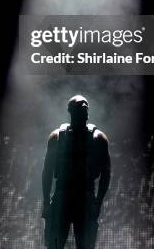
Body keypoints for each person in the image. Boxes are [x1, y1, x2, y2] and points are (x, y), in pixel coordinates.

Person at [42, 94, 111, 248]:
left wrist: (98, 203)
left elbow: (106, 174)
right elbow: (47, 172)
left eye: (85, 106)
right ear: (70, 111)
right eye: (79, 106)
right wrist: (46, 201)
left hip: (85, 198)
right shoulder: (57, 137)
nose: (83, 108)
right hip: (62, 196)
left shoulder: (98, 138)